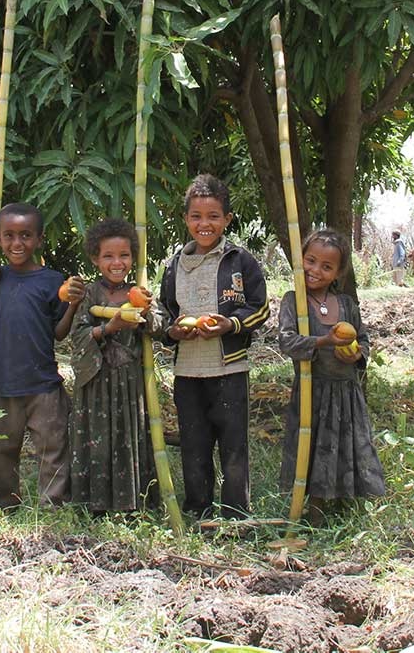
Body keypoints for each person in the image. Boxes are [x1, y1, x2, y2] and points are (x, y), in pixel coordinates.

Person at [159, 174, 269, 520]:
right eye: (196, 216)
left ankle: (236, 512)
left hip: (229, 368)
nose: (204, 224)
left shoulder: (240, 260)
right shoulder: (174, 265)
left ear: (227, 220)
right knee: (194, 443)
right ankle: (198, 508)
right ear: (186, 219)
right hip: (187, 371)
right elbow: (164, 311)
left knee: (233, 443)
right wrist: (171, 331)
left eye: (213, 217)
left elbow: (260, 306)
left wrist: (231, 324)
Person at [0, 203, 85, 509]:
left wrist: (73, 305)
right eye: (8, 236)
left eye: (25, 235)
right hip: (2, 384)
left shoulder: (51, 281)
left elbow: (59, 333)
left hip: (43, 384)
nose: (16, 243)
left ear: (39, 239)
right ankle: (4, 502)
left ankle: (53, 504)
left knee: (52, 448)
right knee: (1, 450)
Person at [278, 229, 386, 525]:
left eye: (326, 266)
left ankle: (346, 505)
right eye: (310, 261)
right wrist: (324, 342)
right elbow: (287, 341)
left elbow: (363, 340)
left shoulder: (347, 304)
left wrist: (357, 354)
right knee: (314, 449)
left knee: (347, 445)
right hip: (313, 392)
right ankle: (316, 513)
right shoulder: (294, 301)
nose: (315, 270)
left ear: (338, 272)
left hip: (346, 392)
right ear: (301, 260)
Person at [68, 218, 160, 513]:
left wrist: (148, 312)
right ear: (95, 258)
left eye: (124, 256)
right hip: (96, 380)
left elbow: (157, 328)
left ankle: (132, 502)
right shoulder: (89, 294)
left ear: (133, 258)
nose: (116, 262)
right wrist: (110, 327)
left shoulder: (140, 292)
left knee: (128, 435)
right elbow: (78, 334)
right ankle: (94, 504)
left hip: (129, 382)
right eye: (108, 256)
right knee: (97, 437)